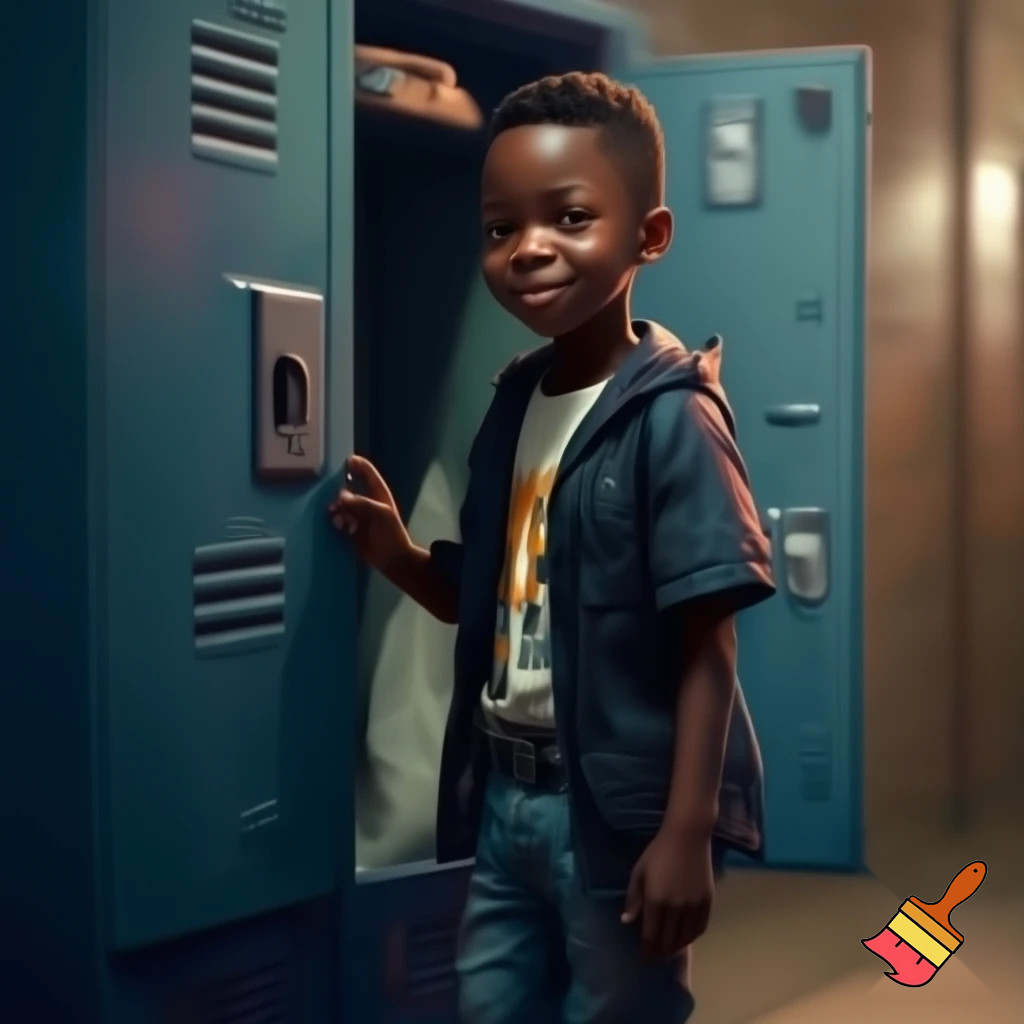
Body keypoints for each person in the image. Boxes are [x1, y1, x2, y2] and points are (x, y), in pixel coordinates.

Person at [330, 72, 775, 1024]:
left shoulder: (674, 418)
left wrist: (686, 832)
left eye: (569, 219)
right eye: (501, 228)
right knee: (492, 1008)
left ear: (647, 237)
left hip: (609, 815)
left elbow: (708, 645)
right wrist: (400, 554)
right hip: (504, 801)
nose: (529, 251)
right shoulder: (513, 403)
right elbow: (489, 599)